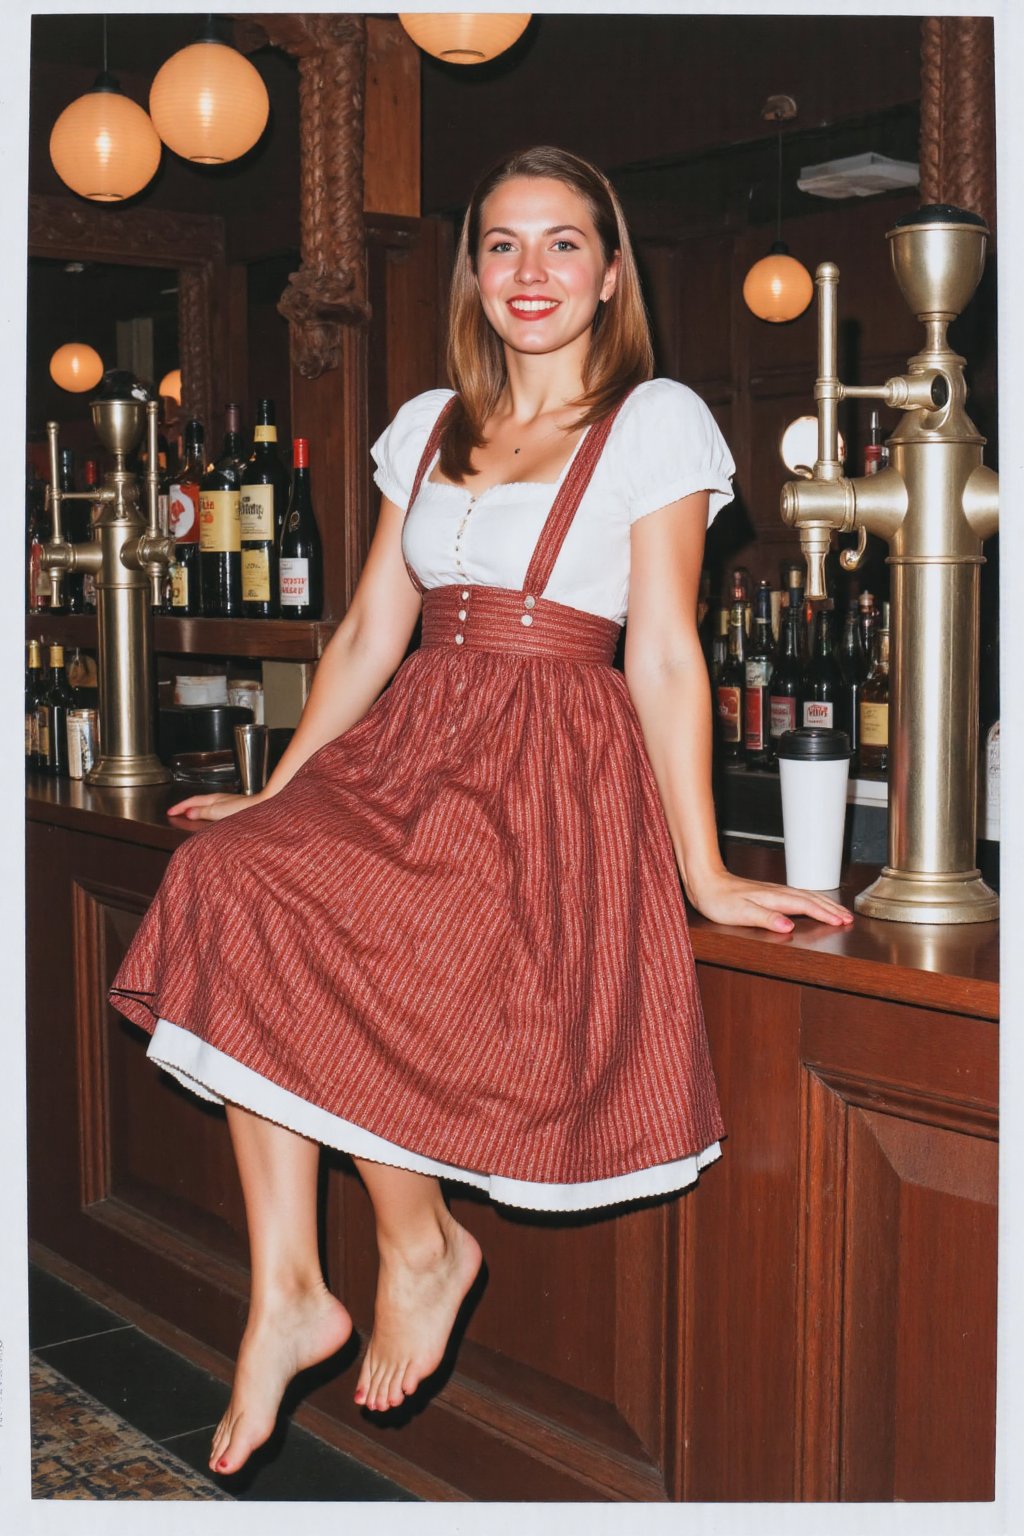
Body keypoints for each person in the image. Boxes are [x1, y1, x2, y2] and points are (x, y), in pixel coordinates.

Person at [108, 144, 853, 1478]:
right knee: (239, 879)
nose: (531, 272)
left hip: (546, 760)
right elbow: (363, 638)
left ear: (612, 272)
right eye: (502, 244)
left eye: (563, 243)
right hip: (410, 745)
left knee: (376, 934)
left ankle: (419, 1240)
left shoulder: (657, 419)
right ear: (473, 270)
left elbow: (667, 651)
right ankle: (293, 1285)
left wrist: (706, 873)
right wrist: (277, 799)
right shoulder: (427, 423)